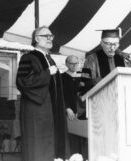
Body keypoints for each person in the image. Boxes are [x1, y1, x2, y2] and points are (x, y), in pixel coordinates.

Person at [16, 26, 69, 161]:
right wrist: (46, 74)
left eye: (51, 36)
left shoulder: (49, 58)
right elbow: (22, 82)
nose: (50, 39)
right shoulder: (28, 58)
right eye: (46, 36)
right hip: (37, 109)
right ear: (37, 39)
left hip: (51, 109)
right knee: (39, 145)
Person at [61, 55, 87, 158]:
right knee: (72, 139)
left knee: (84, 139)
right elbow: (60, 95)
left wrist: (81, 109)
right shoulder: (61, 78)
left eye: (76, 63)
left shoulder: (83, 77)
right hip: (68, 112)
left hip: (82, 112)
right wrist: (67, 108)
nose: (74, 65)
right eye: (71, 63)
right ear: (66, 64)